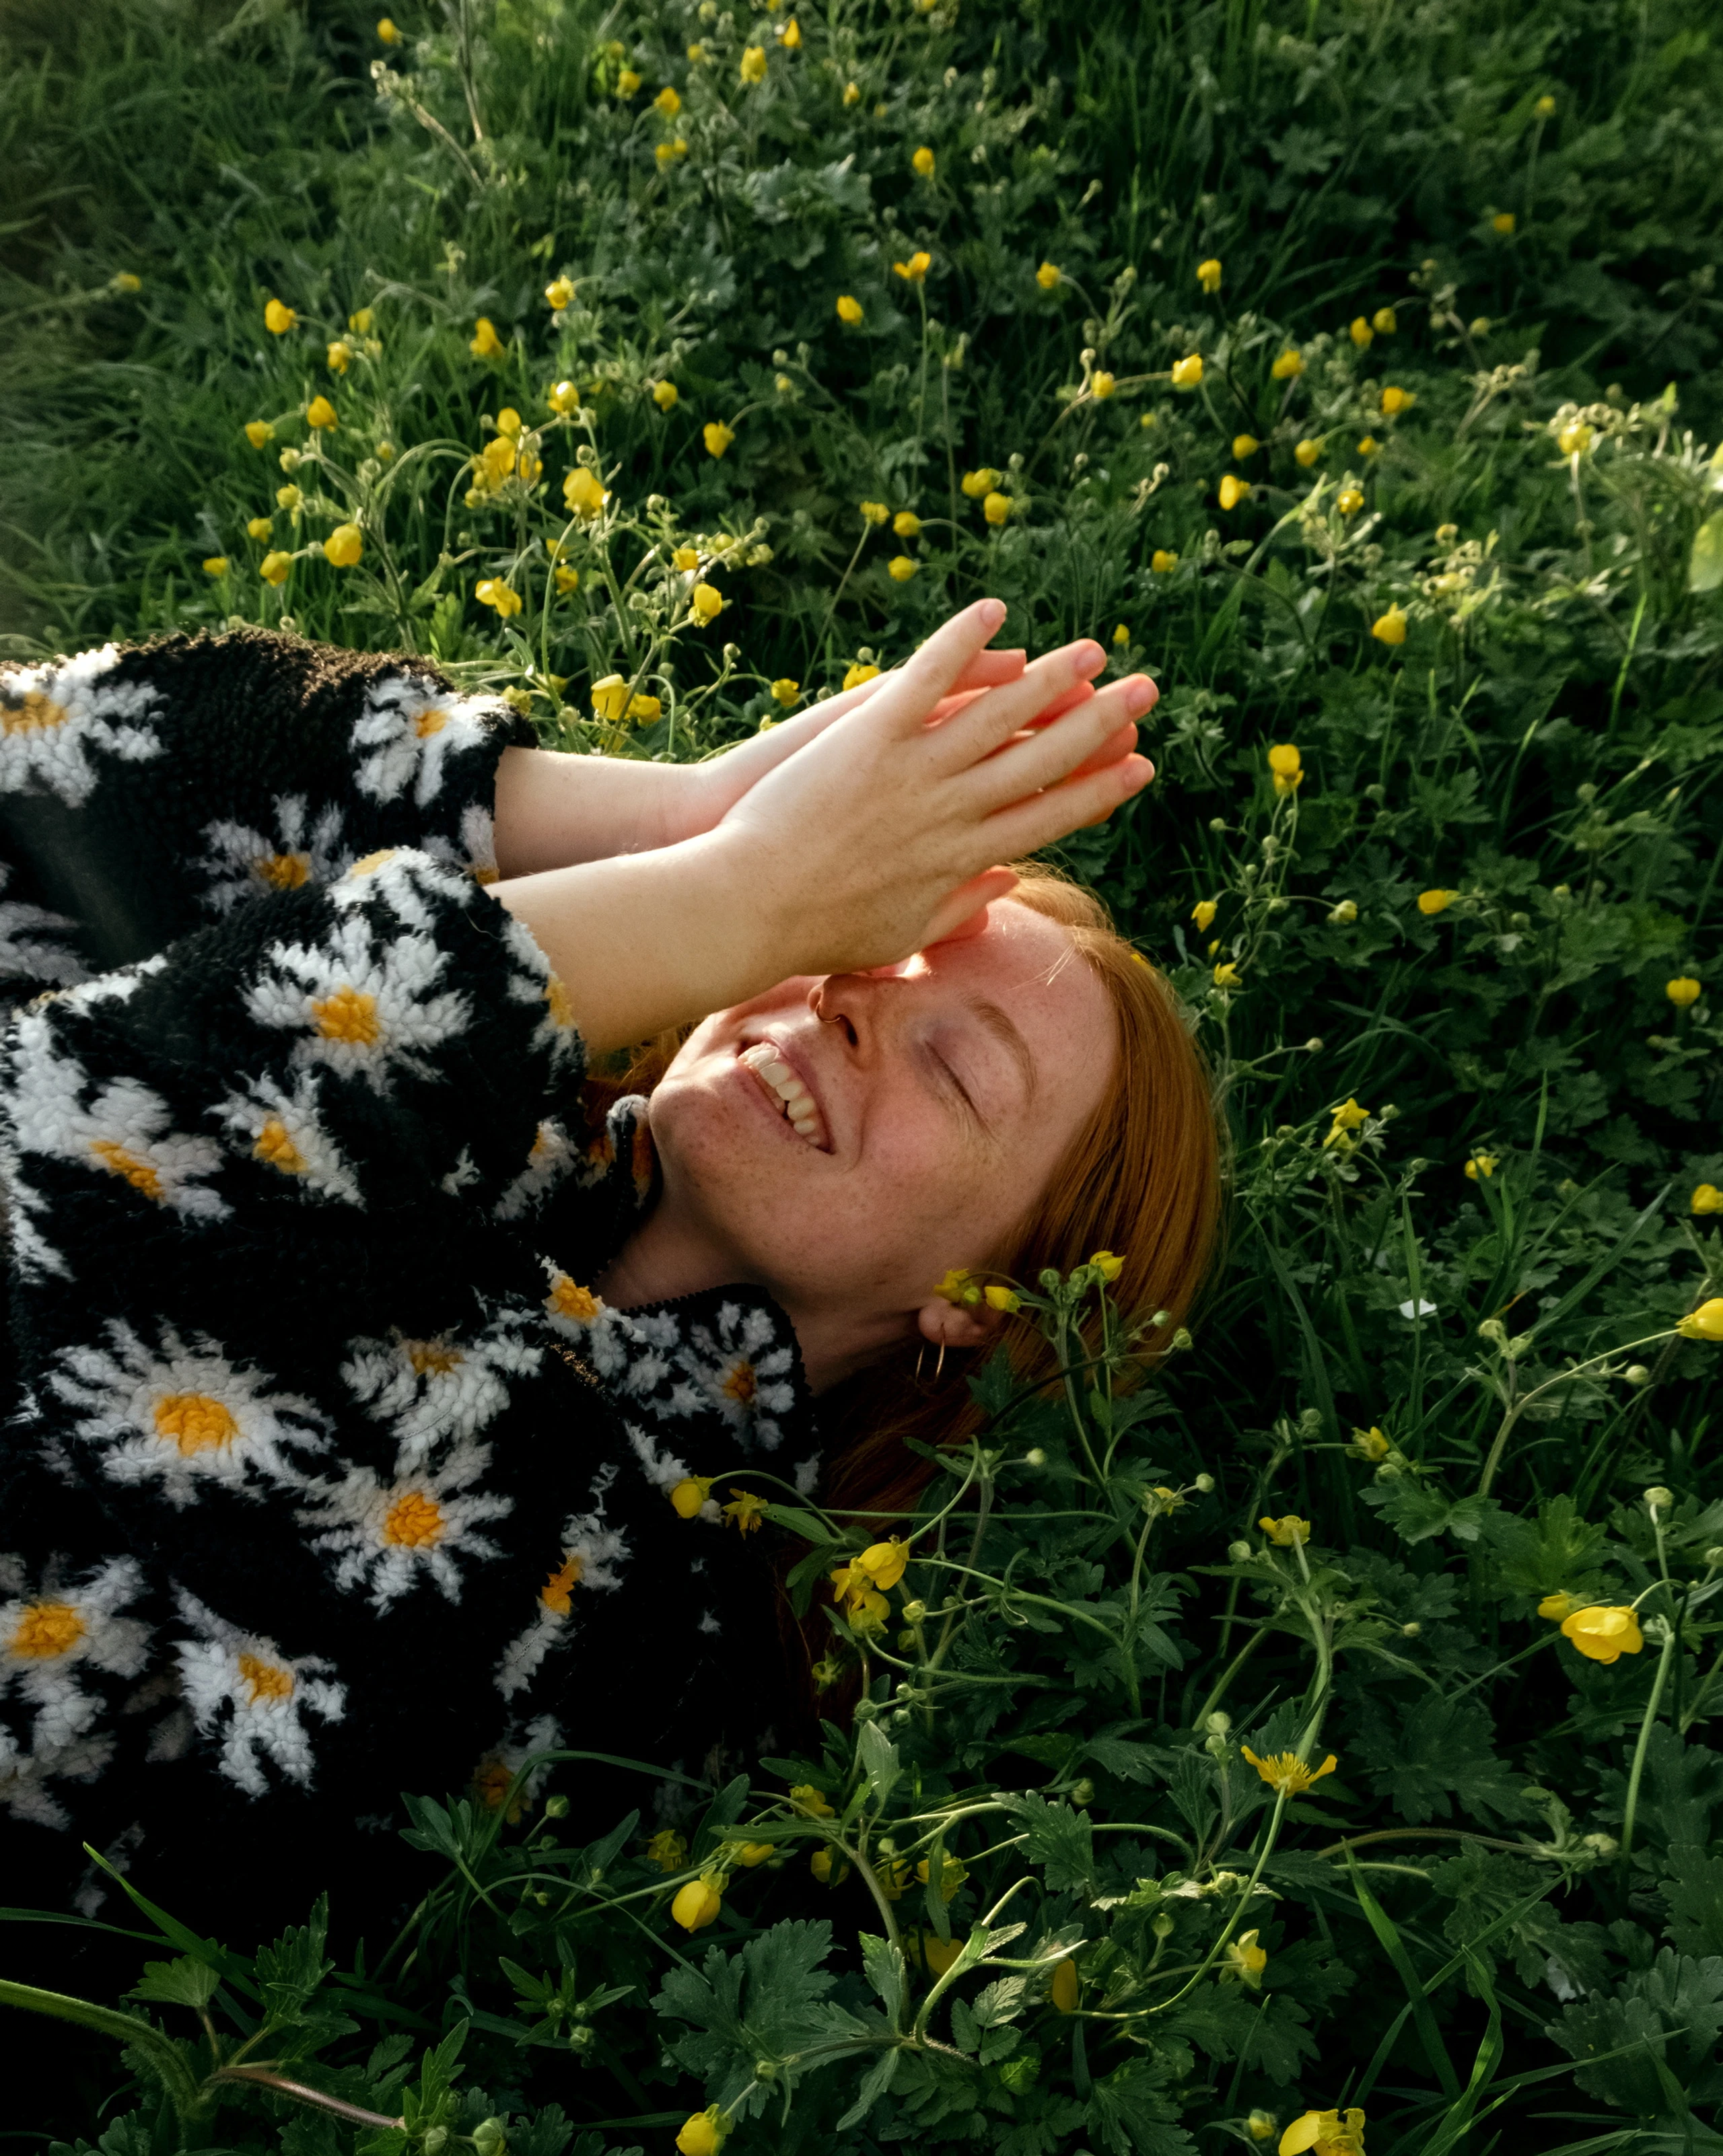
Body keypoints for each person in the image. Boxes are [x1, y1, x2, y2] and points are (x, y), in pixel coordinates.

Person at [0, 598, 1218, 1952]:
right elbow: (46, 756)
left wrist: (731, 898)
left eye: (953, 1064)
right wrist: (680, 822)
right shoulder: (497, 1139)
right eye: (855, 942)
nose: (839, 996)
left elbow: (118, 1136)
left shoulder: (657, 1608)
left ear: (985, 1304)